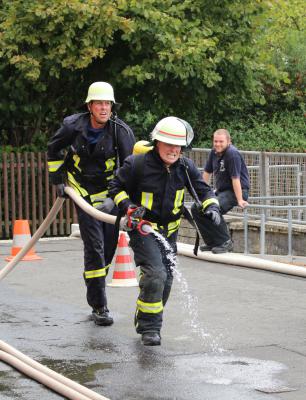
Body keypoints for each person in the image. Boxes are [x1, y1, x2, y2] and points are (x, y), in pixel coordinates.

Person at [109, 116, 229, 346]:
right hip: (144, 230)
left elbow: (202, 190)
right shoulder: (138, 164)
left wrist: (212, 206)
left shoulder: (185, 167)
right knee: (156, 274)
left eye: (178, 146)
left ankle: (144, 316)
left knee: (166, 281)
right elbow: (115, 186)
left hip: (169, 233)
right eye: (168, 144)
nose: (174, 150)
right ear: (157, 142)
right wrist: (128, 207)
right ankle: (150, 329)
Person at [47, 81, 135, 326]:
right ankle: (100, 306)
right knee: (94, 248)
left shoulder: (121, 132)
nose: (104, 108)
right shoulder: (72, 126)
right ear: (90, 106)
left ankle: (94, 280)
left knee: (107, 249)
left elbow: (130, 168)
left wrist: (117, 198)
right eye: (99, 103)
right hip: (80, 190)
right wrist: (57, 180)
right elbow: (53, 149)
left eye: (107, 103)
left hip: (109, 194)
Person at [200, 128, 249, 251]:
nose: (217, 144)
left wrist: (240, 199)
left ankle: (226, 242)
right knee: (198, 208)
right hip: (221, 191)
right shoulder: (214, 152)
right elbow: (206, 173)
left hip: (237, 191)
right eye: (215, 141)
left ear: (228, 141)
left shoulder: (232, 154)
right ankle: (212, 242)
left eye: (221, 141)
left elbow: (235, 178)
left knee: (213, 207)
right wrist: (200, 194)